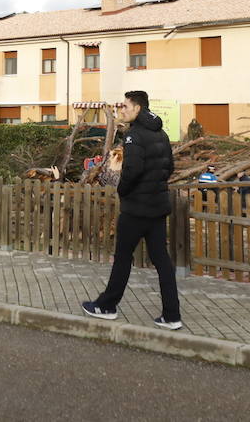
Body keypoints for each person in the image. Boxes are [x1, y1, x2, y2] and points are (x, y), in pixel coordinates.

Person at [83, 91, 182, 330]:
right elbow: (169, 167)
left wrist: (123, 191)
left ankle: (106, 306)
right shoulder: (161, 133)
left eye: (126, 106)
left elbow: (132, 171)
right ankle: (172, 315)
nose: (122, 110)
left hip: (136, 209)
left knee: (123, 258)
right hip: (157, 208)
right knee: (162, 262)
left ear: (137, 108)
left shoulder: (134, 136)